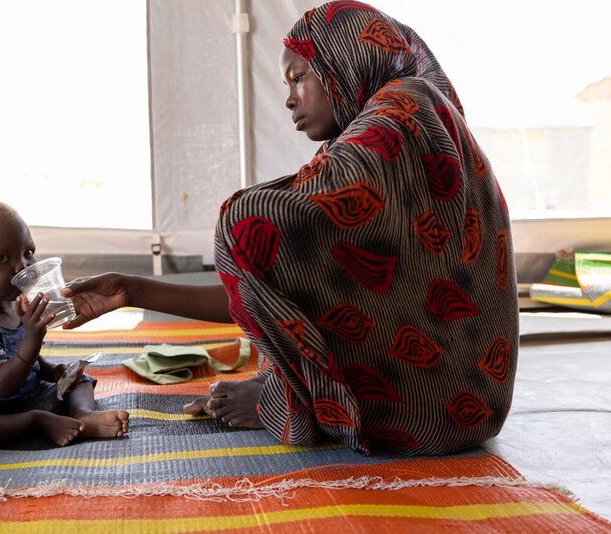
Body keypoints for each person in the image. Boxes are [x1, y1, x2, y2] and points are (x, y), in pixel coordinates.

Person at [63, 1, 517, 456]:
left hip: (428, 409)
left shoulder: (401, 114)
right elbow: (279, 285)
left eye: (299, 76)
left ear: (345, 58)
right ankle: (289, 394)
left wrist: (282, 394)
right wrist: (130, 290)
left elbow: (254, 233)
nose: (289, 98)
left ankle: (291, 403)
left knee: (246, 218)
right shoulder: (399, 123)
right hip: (465, 396)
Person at [0, 199, 129, 456]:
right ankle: (37, 422)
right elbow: (1, 386)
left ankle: (82, 417)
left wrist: (51, 371)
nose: (22, 265)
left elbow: (19, 352)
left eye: (28, 252)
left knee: (78, 379)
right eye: (2, 258)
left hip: (22, 396)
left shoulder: (13, 302)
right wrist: (32, 335)